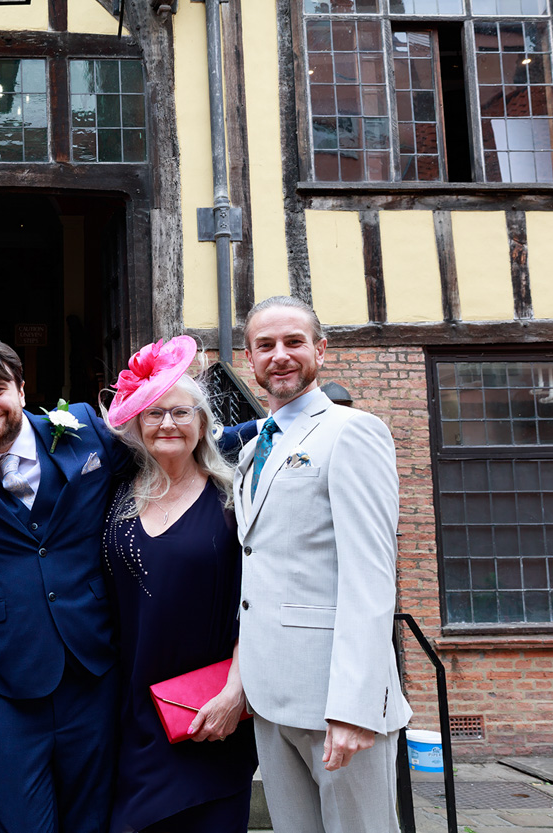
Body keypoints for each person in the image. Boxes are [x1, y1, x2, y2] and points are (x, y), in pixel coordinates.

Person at [233, 295, 411, 833]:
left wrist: (355, 705)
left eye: (294, 342)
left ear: (321, 349)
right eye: (266, 346)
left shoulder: (352, 432)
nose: (280, 356)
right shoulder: (249, 454)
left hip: (337, 700)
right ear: (250, 358)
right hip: (272, 696)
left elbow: (371, 576)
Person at [0, 339, 131, 833]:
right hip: (10, 675)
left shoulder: (85, 433)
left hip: (92, 665)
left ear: (23, 391)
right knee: (15, 811)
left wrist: (270, 428)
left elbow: (167, 447)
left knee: (91, 816)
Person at [100, 335, 257, 833]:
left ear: (203, 424)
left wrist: (237, 688)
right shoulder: (115, 498)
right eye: (155, 413)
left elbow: (257, 601)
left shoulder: (234, 502)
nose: (168, 423)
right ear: (137, 425)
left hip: (206, 714)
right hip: (130, 712)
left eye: (182, 413)